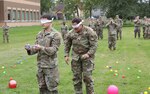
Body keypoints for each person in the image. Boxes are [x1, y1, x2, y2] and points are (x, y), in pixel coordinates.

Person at [25, 14, 61, 94]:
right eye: (41, 21)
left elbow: (53, 50)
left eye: (44, 21)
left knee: (52, 89)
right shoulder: (39, 34)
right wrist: (29, 49)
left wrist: (41, 47)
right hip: (40, 66)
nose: (42, 23)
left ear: (50, 21)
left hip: (50, 67)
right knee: (42, 88)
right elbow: (35, 50)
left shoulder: (55, 35)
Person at [64, 18, 98, 94]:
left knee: (87, 77)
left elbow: (94, 46)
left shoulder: (89, 32)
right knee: (76, 77)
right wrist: (66, 55)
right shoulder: (70, 33)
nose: (75, 29)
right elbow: (67, 45)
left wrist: (88, 54)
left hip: (87, 58)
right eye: (74, 28)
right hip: (76, 58)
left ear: (81, 24)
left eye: (77, 27)